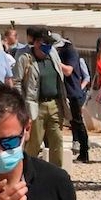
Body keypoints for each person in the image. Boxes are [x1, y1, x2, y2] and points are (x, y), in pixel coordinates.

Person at [14, 27, 72, 169]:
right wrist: (21, 107)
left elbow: (61, 76)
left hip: (55, 104)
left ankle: (57, 171)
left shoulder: (52, 54)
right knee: (34, 141)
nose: (48, 45)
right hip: (35, 106)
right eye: (45, 42)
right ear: (37, 42)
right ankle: (27, 170)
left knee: (57, 140)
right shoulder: (24, 58)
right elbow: (16, 82)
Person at [59, 38, 92, 163]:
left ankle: (84, 152)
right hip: (66, 92)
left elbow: (69, 71)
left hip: (73, 93)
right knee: (73, 124)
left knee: (78, 123)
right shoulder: (63, 53)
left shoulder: (70, 52)